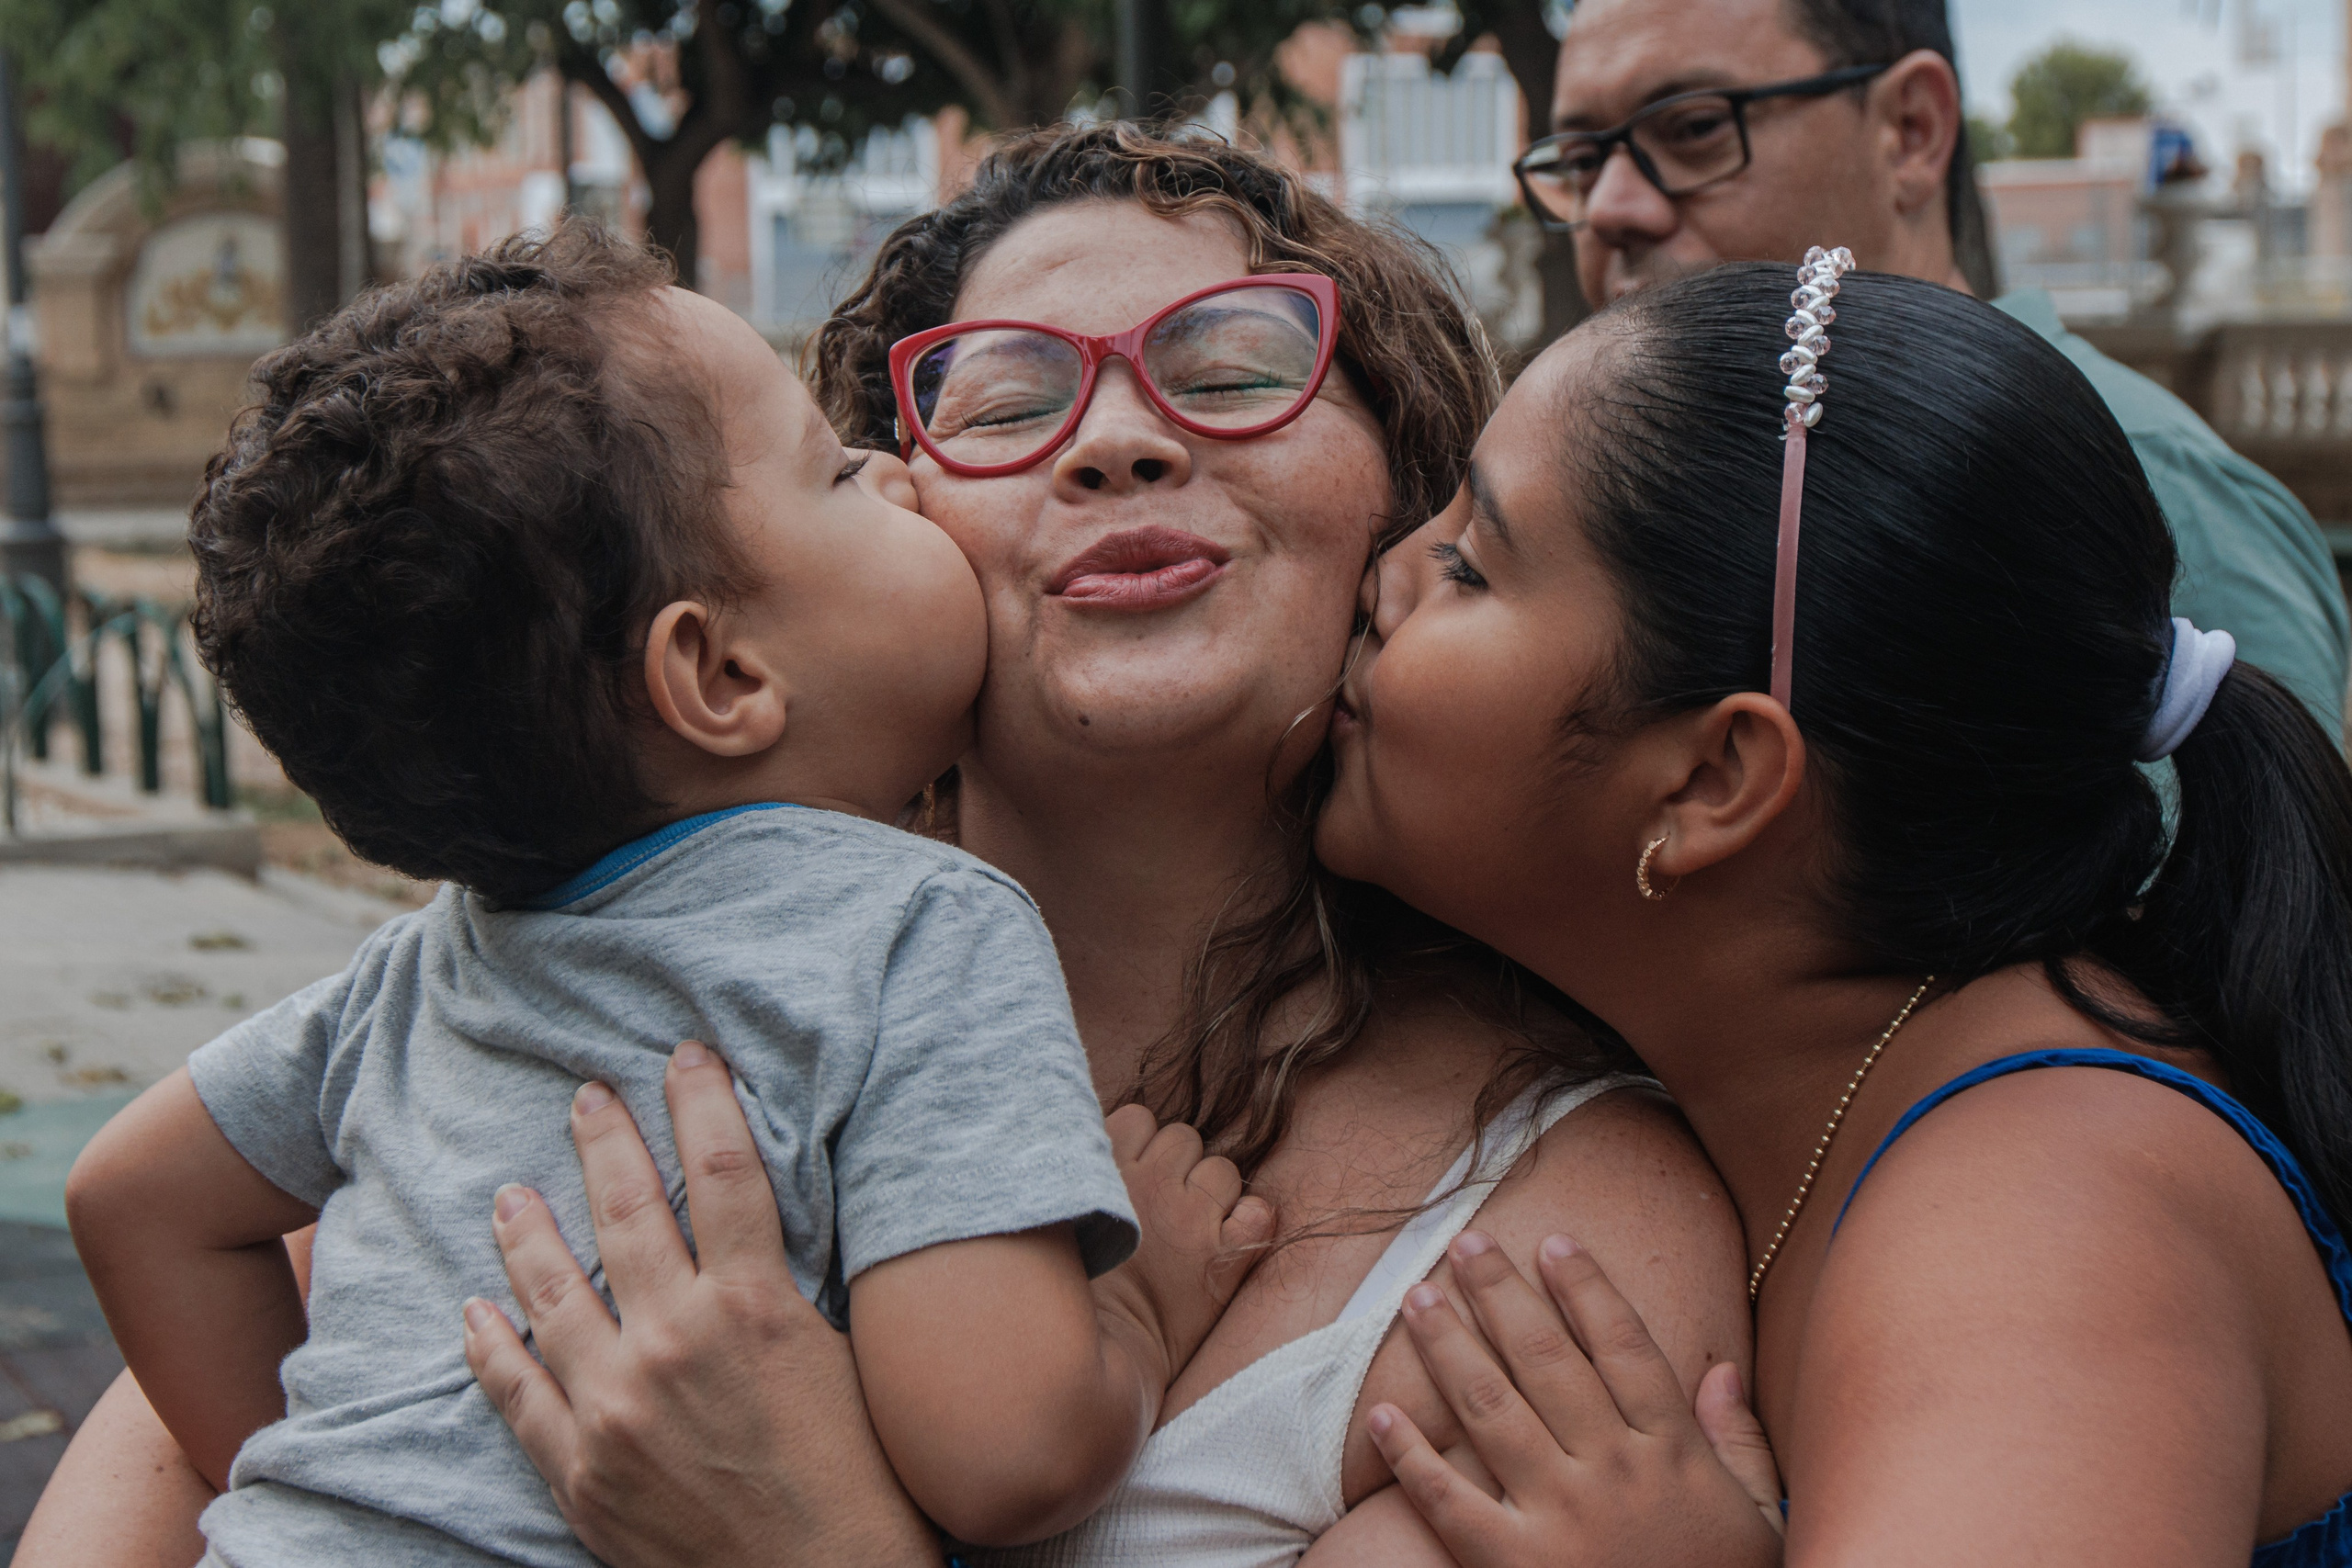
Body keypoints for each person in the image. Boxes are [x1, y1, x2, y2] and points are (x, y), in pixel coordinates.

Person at [18, 126, 1751, 1566]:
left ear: (1408, 498)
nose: (1124, 436)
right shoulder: (573, 1032)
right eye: (999, 406)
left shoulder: (1563, 1238)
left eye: (1235, 365)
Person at [62, 220, 1274, 1564]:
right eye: (837, 473)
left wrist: (322, 1486)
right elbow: (1004, 1448)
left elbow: (132, 1194)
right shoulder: (921, 927)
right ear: (722, 677)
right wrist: (1144, 1307)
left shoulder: (423, 972)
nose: (898, 473)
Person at [1313, 261, 2352, 1563]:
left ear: (1712, 779)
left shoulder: (2036, 1236)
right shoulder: (1866, 1087)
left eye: (1467, 562)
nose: (1383, 573)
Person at [1521, 0, 2351, 738]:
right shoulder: (1671, 488)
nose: (1610, 208)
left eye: (1694, 127)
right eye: (1582, 160)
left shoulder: (2163, 497)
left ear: (1911, 132)